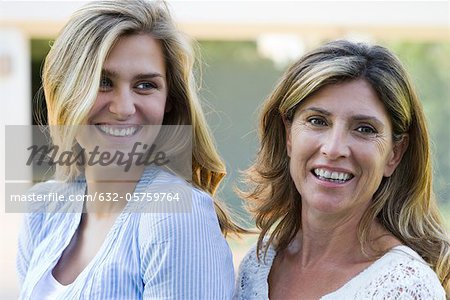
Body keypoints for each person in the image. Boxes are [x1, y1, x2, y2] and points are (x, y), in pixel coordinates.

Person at [17, 0, 240, 299]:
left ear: (169, 100)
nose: (123, 108)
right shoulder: (44, 210)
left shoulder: (175, 214)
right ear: (65, 92)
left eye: (145, 85)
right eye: (102, 82)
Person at [235, 40, 450, 299]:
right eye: (317, 121)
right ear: (289, 135)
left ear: (395, 154)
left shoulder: (405, 288)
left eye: (364, 129)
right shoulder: (259, 264)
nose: (334, 148)